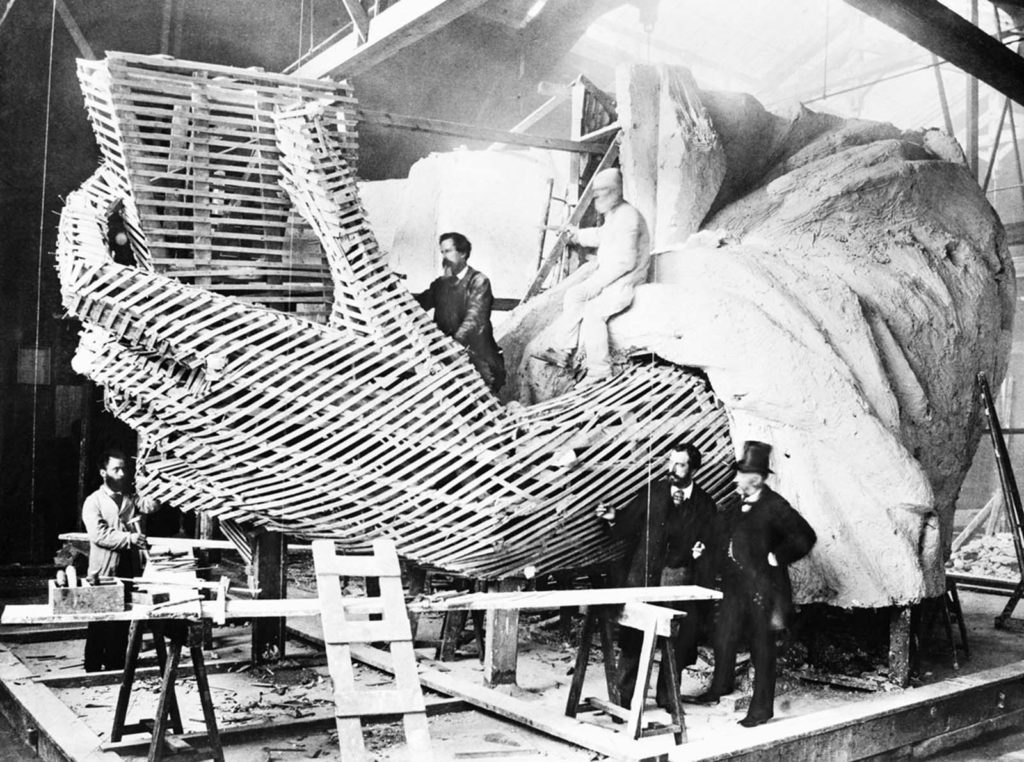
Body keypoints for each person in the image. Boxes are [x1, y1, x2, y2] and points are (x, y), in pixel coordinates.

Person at [694, 440, 816, 727]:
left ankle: (761, 710)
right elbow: (719, 532)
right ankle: (720, 687)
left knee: (762, 648)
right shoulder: (738, 506)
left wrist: (777, 556)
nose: (735, 479)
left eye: (741, 474)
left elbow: (805, 537)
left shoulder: (776, 506)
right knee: (724, 635)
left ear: (757, 479)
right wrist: (704, 547)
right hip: (736, 586)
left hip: (764, 589)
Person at [597, 440, 720, 709]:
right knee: (634, 634)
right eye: (670, 462)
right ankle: (625, 699)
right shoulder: (654, 492)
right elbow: (628, 523)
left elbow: (712, 541)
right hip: (643, 573)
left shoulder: (705, 505)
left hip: (679, 576)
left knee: (675, 638)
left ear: (693, 469)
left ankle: (668, 696)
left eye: (680, 464)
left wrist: (702, 550)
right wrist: (613, 517)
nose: (672, 468)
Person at [534, 168, 650, 384]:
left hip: (627, 280)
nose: (597, 198)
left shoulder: (628, 216)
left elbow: (625, 262)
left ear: (615, 191)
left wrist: (597, 284)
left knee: (594, 313)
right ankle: (563, 350)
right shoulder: (615, 214)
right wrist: (576, 235)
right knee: (574, 295)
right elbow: (602, 235)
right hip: (611, 278)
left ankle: (600, 370)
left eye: (601, 193)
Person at [81, 449, 162, 672]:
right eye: (116, 469)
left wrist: (156, 485)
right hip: (103, 570)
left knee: (123, 618)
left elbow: (151, 505)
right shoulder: (93, 502)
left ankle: (116, 666)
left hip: (127, 567)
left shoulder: (130, 498)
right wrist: (129, 538)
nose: (122, 474)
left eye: (124, 469)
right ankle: (92, 667)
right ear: (103, 472)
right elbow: (99, 535)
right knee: (100, 619)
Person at [416, 232, 505, 393]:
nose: (444, 257)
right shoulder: (440, 284)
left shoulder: (479, 281)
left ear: (463, 253)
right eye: (442, 252)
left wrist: (453, 344)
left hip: (476, 356)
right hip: (445, 354)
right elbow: (418, 305)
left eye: (448, 251)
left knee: (479, 397)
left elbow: (475, 319)